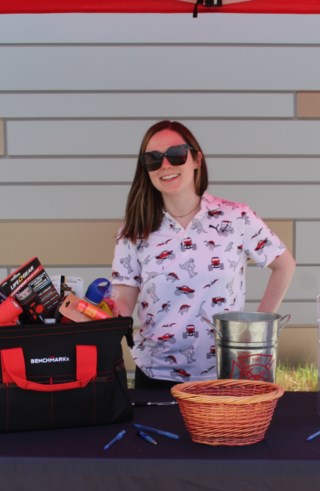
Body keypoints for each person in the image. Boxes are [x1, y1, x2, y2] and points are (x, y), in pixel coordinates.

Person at [110, 120, 296, 388]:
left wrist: (254, 333)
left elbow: (284, 264)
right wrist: (94, 313)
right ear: (146, 169)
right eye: (153, 159)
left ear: (196, 159)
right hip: (156, 376)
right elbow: (123, 302)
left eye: (176, 155)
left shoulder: (236, 217)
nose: (166, 165)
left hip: (225, 374)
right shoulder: (133, 230)